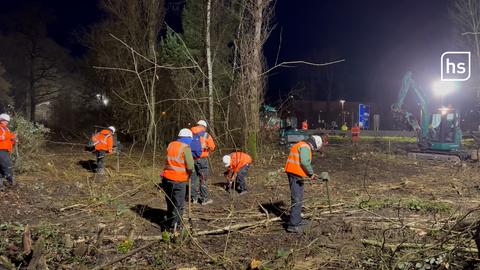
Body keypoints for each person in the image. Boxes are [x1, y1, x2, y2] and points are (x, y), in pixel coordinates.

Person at [284, 135, 327, 233]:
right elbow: (304, 162)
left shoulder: (301, 144)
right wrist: (311, 173)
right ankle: (293, 225)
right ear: (316, 144)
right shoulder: (305, 147)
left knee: (298, 197)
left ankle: (297, 219)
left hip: (295, 173)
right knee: (297, 198)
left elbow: (301, 162)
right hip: (295, 174)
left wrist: (310, 174)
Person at [161, 128, 194, 233]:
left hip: (166, 179)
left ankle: (169, 221)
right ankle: (175, 227)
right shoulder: (185, 147)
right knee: (178, 204)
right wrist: (190, 172)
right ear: (188, 138)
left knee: (170, 202)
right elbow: (190, 165)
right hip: (179, 181)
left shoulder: (171, 145)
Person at [190, 120, 216, 205]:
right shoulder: (206, 135)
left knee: (193, 179)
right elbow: (212, 147)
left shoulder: (190, 133)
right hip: (202, 160)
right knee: (203, 179)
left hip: (191, 159)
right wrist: (206, 147)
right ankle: (204, 199)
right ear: (204, 127)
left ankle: (194, 199)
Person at [0, 114, 16, 190]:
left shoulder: (6, 129)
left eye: (7, 121)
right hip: (1, 150)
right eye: (5, 121)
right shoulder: (0, 128)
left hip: (5, 150)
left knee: (1, 167)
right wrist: (10, 136)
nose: (6, 123)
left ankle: (1, 184)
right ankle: (11, 182)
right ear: (1, 120)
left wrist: (13, 140)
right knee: (7, 166)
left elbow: (8, 140)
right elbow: (2, 138)